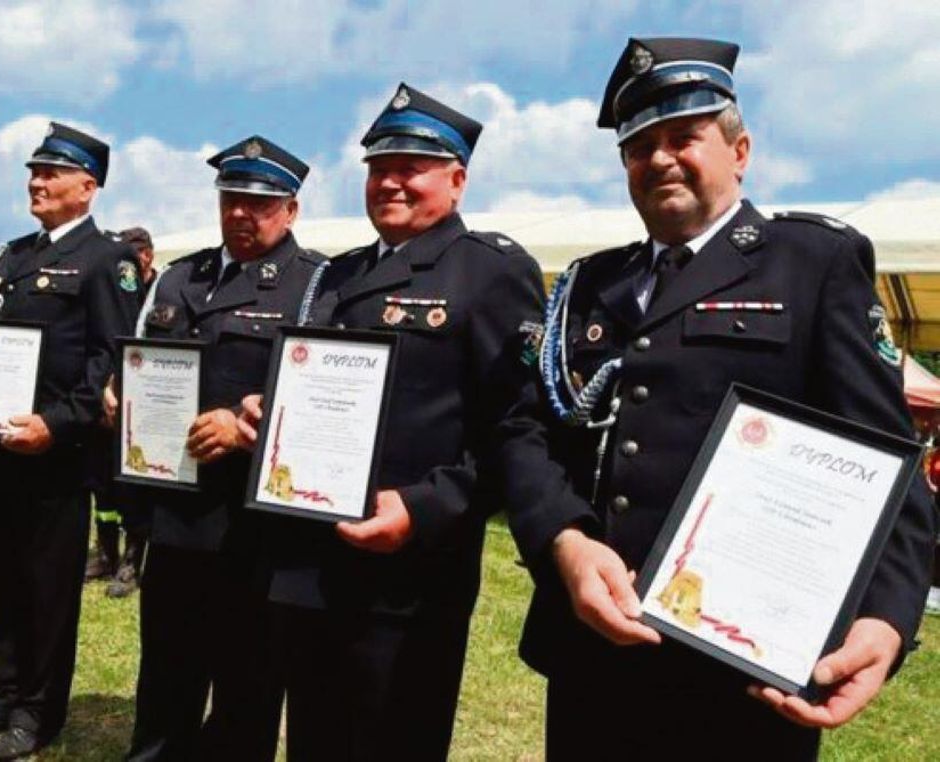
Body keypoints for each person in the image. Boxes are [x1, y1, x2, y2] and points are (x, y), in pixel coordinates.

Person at [511, 37, 938, 759]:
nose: (660, 159)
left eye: (685, 137)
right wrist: (567, 541)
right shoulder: (590, 283)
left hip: (742, 675)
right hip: (592, 657)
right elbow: (525, 431)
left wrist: (888, 621)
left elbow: (885, 459)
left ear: (740, 152)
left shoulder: (814, 263)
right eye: (639, 146)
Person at [239, 84, 547, 760]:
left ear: (457, 179)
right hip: (309, 557)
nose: (390, 182)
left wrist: (425, 507)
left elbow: (518, 427)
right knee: (316, 734)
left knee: (392, 738)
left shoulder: (490, 272)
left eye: (411, 167)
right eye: (379, 169)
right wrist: (272, 409)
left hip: (407, 573)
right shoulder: (340, 274)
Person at [0, 121, 141, 761]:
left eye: (52, 173)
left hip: (52, 456)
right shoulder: (14, 255)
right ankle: (5, 691)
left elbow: (111, 361)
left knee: (46, 588)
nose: (37, 182)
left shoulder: (108, 259)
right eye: (34, 172)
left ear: (88, 187)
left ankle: (38, 712)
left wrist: (56, 423)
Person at [124, 135, 324, 761]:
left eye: (260, 203)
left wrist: (248, 433)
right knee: (166, 668)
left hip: (254, 526)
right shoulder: (182, 277)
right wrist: (119, 392)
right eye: (231, 198)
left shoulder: (319, 284)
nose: (241, 213)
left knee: (249, 682)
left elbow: (328, 405)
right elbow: (139, 357)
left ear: (290, 211)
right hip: (176, 514)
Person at [87, 225, 158, 600]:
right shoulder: (112, 291)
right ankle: (106, 554)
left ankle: (132, 561)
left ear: (146, 255)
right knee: (102, 488)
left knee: (134, 492)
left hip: (141, 410)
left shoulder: (160, 292)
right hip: (104, 405)